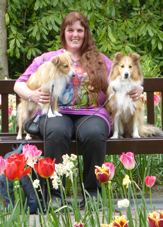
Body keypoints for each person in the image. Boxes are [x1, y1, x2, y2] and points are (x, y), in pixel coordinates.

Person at [14, 11, 143, 204]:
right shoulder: (49, 58)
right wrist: (31, 94)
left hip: (92, 113)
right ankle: (55, 196)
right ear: (63, 33)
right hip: (57, 112)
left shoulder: (99, 59)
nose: (75, 34)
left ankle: (93, 194)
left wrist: (139, 88)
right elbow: (19, 84)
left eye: (80, 30)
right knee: (56, 132)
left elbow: (123, 74)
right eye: (70, 30)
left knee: (94, 134)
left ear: (86, 33)